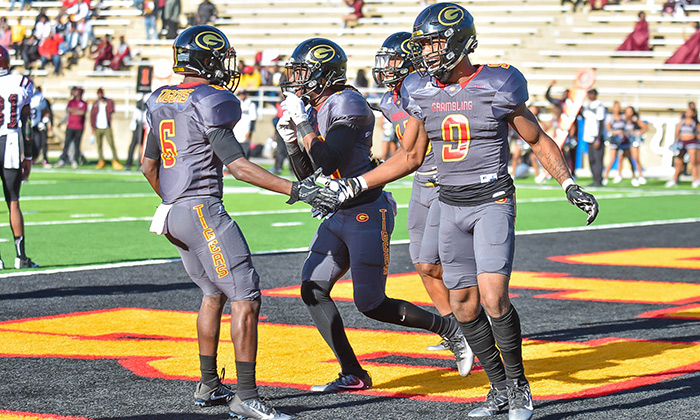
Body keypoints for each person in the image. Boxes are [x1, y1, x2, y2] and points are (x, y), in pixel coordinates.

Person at [316, 4, 598, 419]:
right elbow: (410, 156)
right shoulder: (420, 90)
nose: (428, 52)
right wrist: (354, 185)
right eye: (424, 44)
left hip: (491, 200)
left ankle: (519, 385)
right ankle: (498, 388)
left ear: (459, 41)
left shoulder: (499, 83)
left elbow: (537, 139)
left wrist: (567, 182)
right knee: (463, 306)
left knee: (493, 296)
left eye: (434, 42)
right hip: (448, 203)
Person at [142, 25, 335, 420]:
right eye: (218, 58)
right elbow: (240, 168)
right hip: (201, 211)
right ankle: (246, 397)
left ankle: (209, 385)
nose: (224, 66)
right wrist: (298, 190)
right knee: (246, 298)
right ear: (204, 59)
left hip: (172, 213)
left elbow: (148, 166)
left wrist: (173, 202)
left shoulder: (161, 98)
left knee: (213, 295)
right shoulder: (211, 100)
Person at [277, 37, 474, 393]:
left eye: (303, 72)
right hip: (340, 213)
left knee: (370, 303)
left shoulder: (346, 102)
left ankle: (449, 329)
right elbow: (310, 177)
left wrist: (304, 126)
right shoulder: (320, 104)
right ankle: (353, 373)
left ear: (323, 74)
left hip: (367, 211)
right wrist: (293, 140)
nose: (296, 80)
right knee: (312, 288)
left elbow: (328, 160)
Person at [372, 31, 472, 354]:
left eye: (393, 60)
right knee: (420, 262)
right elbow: (405, 147)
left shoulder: (427, 90)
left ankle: (473, 322)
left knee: (435, 262)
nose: (386, 67)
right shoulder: (389, 100)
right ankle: (453, 329)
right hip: (419, 184)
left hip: (444, 182)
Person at [0, 46, 39, 269]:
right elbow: (26, 122)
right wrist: (29, 156)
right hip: (11, 143)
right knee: (13, 201)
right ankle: (20, 256)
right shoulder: (21, 82)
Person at [90, 88, 123, 169]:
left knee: (111, 143)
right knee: (99, 145)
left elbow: (112, 110)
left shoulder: (108, 102)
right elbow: (92, 116)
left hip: (106, 126)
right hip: (98, 127)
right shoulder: (95, 104)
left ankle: (115, 160)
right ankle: (101, 160)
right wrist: (92, 127)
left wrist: (106, 105)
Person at [667, 107, 700, 188]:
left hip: (692, 143)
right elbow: (677, 132)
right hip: (682, 143)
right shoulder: (682, 122)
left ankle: (695, 179)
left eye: (690, 112)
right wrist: (676, 143)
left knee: (693, 162)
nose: (688, 113)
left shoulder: (695, 123)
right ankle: (674, 179)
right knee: (678, 162)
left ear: (694, 114)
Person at [55, 86, 87, 169]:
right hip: (70, 126)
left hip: (79, 127)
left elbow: (82, 112)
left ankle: (75, 160)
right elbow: (68, 110)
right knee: (67, 144)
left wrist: (74, 111)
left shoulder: (83, 103)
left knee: (77, 145)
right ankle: (63, 159)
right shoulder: (71, 102)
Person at [581, 88, 607, 187]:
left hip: (596, 136)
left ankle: (598, 179)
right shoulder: (589, 106)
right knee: (591, 159)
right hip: (588, 136)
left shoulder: (599, 106)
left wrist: (598, 138)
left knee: (598, 159)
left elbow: (600, 122)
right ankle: (594, 178)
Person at [624, 106, 647, 186]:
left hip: (633, 141)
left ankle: (640, 175)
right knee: (627, 159)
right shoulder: (623, 120)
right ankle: (633, 176)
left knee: (636, 158)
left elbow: (644, 127)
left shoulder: (635, 120)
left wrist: (638, 132)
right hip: (624, 141)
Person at [125, 94, 147, 171]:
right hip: (137, 126)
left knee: (143, 146)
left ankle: (141, 162)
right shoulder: (138, 106)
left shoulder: (145, 104)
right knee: (133, 144)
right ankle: (129, 163)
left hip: (143, 126)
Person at [233, 90, 257, 159]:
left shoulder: (251, 105)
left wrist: (250, 131)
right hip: (237, 128)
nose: (241, 96)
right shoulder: (238, 103)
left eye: (243, 94)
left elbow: (253, 119)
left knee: (245, 149)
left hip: (246, 129)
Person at [29, 86, 49, 167]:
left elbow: (46, 111)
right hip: (25, 124)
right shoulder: (22, 95)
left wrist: (44, 120)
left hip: (36, 124)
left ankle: (37, 158)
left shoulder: (39, 97)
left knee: (38, 144)